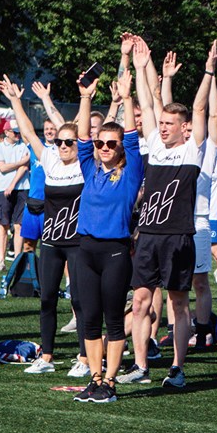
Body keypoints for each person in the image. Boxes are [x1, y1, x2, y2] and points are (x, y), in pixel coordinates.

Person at [120, 38, 217, 390]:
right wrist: (142, 64)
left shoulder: (193, 151)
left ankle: (177, 368)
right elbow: (146, 103)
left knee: (179, 302)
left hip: (179, 237)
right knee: (142, 300)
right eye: (160, 123)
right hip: (148, 234)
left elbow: (201, 109)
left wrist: (208, 71)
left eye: (169, 124)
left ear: (182, 127)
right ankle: (140, 364)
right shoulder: (154, 148)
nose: (162, 127)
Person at [0, 76, 86, 374]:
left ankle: (85, 359)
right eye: (59, 141)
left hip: (79, 242)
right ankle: (46, 357)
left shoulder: (85, 166)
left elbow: (80, 130)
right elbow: (27, 132)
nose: (62, 145)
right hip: (52, 241)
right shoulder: (49, 160)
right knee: (47, 298)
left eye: (68, 142)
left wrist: (85, 98)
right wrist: (15, 102)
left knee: (82, 300)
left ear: (79, 144)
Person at [70, 63, 142, 402]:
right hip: (85, 250)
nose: (104, 148)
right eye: (101, 144)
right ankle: (95, 377)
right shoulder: (90, 167)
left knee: (114, 320)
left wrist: (126, 98)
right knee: (88, 319)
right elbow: (82, 138)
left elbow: (131, 136)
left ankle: (110, 382)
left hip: (115, 251)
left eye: (111, 144)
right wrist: (86, 98)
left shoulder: (130, 174)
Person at [0, 118, 32, 274]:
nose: (18, 134)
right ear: (6, 132)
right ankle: (1, 260)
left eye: (19, 132)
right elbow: (3, 167)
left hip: (22, 188)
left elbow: (25, 167)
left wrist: (12, 184)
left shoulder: (24, 147)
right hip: (3, 189)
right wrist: (21, 163)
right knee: (4, 225)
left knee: (19, 225)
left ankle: (17, 260)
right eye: (15, 132)